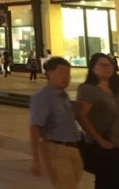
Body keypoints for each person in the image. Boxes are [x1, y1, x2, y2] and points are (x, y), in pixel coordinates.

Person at [29, 57, 82, 189]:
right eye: (61, 72)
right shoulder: (43, 96)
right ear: (49, 74)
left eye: (68, 73)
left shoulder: (64, 96)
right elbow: (35, 128)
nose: (66, 77)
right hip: (56, 150)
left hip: (73, 147)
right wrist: (36, 159)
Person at [76, 53, 119, 188]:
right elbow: (81, 116)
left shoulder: (115, 89)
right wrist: (99, 139)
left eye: (109, 65)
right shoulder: (89, 89)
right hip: (106, 146)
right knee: (107, 182)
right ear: (92, 68)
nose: (107, 68)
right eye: (102, 65)